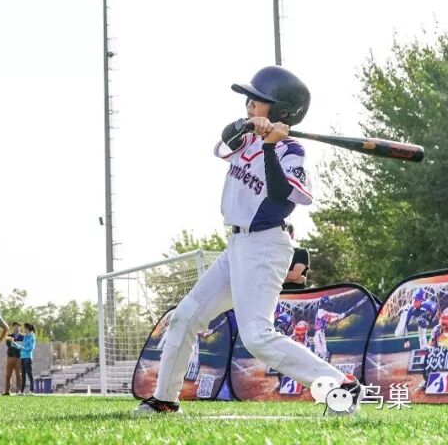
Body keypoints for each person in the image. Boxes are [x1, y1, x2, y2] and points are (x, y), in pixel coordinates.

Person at [134, 66, 361, 416]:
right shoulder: (246, 137)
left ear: (281, 111)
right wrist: (251, 128)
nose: (249, 104)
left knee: (256, 336)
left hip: (265, 247)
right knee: (185, 316)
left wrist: (272, 147)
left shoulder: (291, 151)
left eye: (259, 101)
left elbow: (284, 196)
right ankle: (164, 400)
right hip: (236, 246)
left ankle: (340, 387)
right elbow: (225, 139)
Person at [281, 223, 310, 291]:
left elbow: (294, 276)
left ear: (291, 235)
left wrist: (275, 278)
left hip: (296, 298)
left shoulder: (301, 252)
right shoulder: (271, 255)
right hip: (275, 297)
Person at [14, 323, 37, 394]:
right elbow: (22, 346)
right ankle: (22, 391)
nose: (24, 330)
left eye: (25, 328)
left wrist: (22, 348)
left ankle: (31, 390)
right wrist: (14, 344)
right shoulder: (25, 337)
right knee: (23, 374)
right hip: (22, 357)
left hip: (28, 357)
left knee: (29, 374)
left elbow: (31, 348)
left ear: (28, 329)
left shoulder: (32, 337)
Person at [2, 322, 23, 395]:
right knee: (8, 375)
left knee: (18, 375)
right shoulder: (8, 336)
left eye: (18, 327)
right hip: (10, 357)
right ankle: (7, 391)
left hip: (19, 358)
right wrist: (17, 344)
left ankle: (18, 390)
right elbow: (9, 345)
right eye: (15, 327)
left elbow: (22, 347)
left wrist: (13, 343)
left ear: (20, 328)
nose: (16, 328)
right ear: (13, 328)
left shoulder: (23, 337)